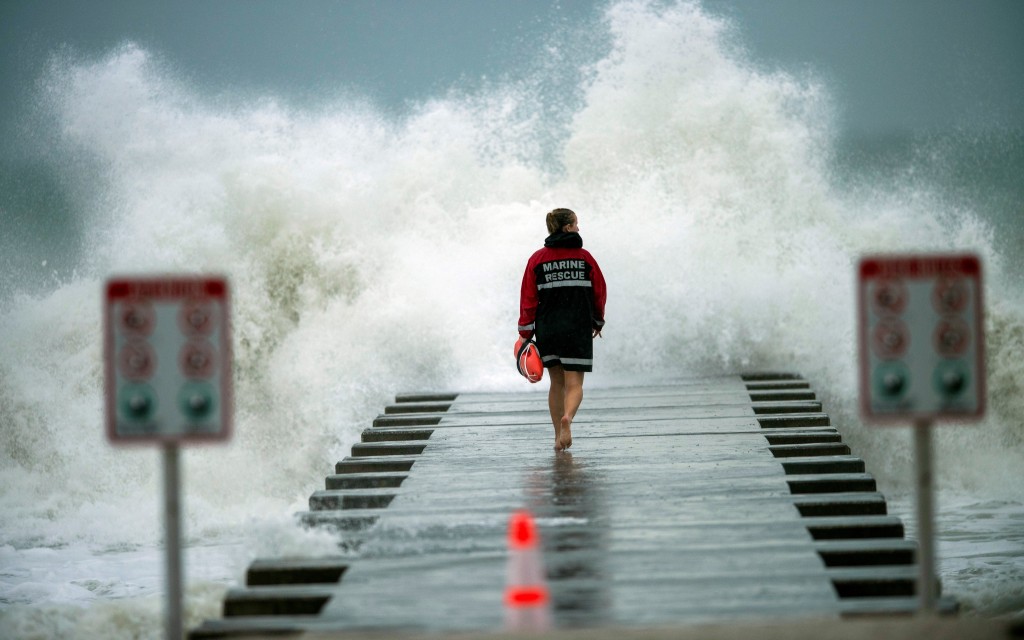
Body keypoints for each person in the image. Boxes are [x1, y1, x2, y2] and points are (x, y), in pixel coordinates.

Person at [518, 208, 606, 451]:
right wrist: (598, 321)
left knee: (556, 383)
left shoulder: (537, 259)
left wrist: (525, 332)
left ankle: (558, 434)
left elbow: (528, 297)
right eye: (576, 224)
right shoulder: (585, 258)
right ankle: (568, 417)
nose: (579, 228)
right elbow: (599, 291)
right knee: (574, 384)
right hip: (577, 326)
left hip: (548, 327)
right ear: (567, 228)